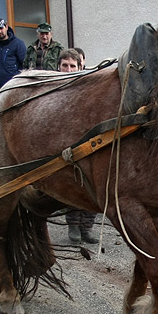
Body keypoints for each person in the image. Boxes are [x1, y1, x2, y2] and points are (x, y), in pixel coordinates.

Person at [57, 49, 98, 243]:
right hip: (64, 145)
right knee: (73, 187)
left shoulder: (88, 86)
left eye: (72, 66)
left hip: (88, 143)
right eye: (65, 65)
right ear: (59, 67)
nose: (68, 69)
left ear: (80, 67)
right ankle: (73, 225)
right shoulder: (53, 88)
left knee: (94, 189)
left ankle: (86, 228)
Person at [0, 18, 27, 107]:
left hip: (14, 85)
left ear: (6, 27)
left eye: (1, 28)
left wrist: (18, 79)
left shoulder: (17, 43)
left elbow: (25, 64)